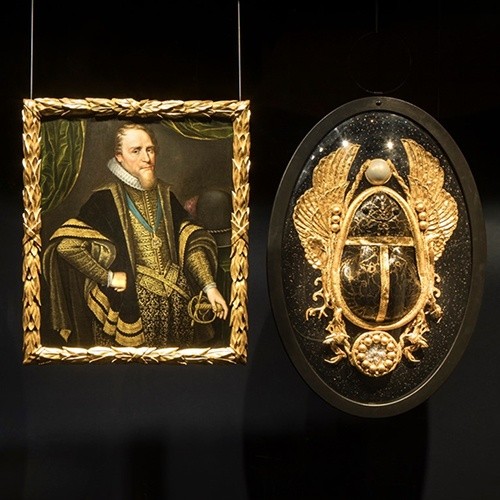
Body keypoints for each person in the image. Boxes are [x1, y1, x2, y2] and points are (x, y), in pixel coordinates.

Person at [43, 122, 228, 348]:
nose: (146, 158)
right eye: (136, 151)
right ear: (119, 157)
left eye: (150, 150)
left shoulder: (166, 195)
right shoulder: (103, 200)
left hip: (177, 305)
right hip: (130, 307)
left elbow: (191, 243)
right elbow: (66, 246)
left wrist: (210, 287)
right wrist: (108, 278)